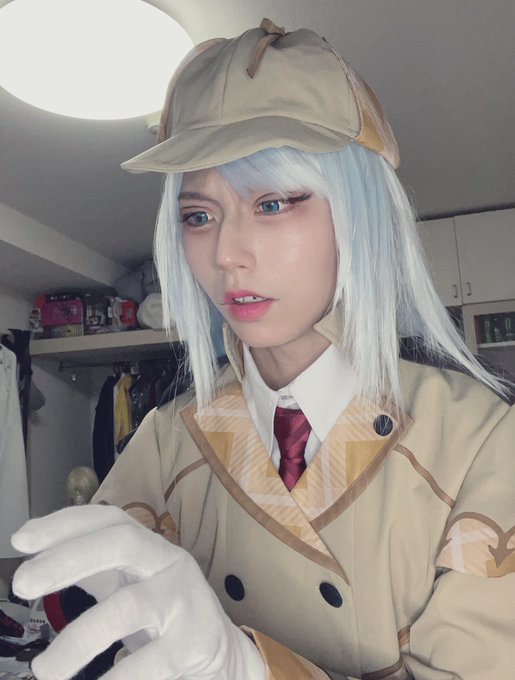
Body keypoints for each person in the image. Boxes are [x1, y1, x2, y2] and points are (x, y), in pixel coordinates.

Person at [11, 18, 515, 680]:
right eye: (198, 216)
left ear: (359, 215)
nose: (226, 253)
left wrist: (244, 667)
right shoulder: (164, 444)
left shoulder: (483, 443)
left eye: (273, 203)